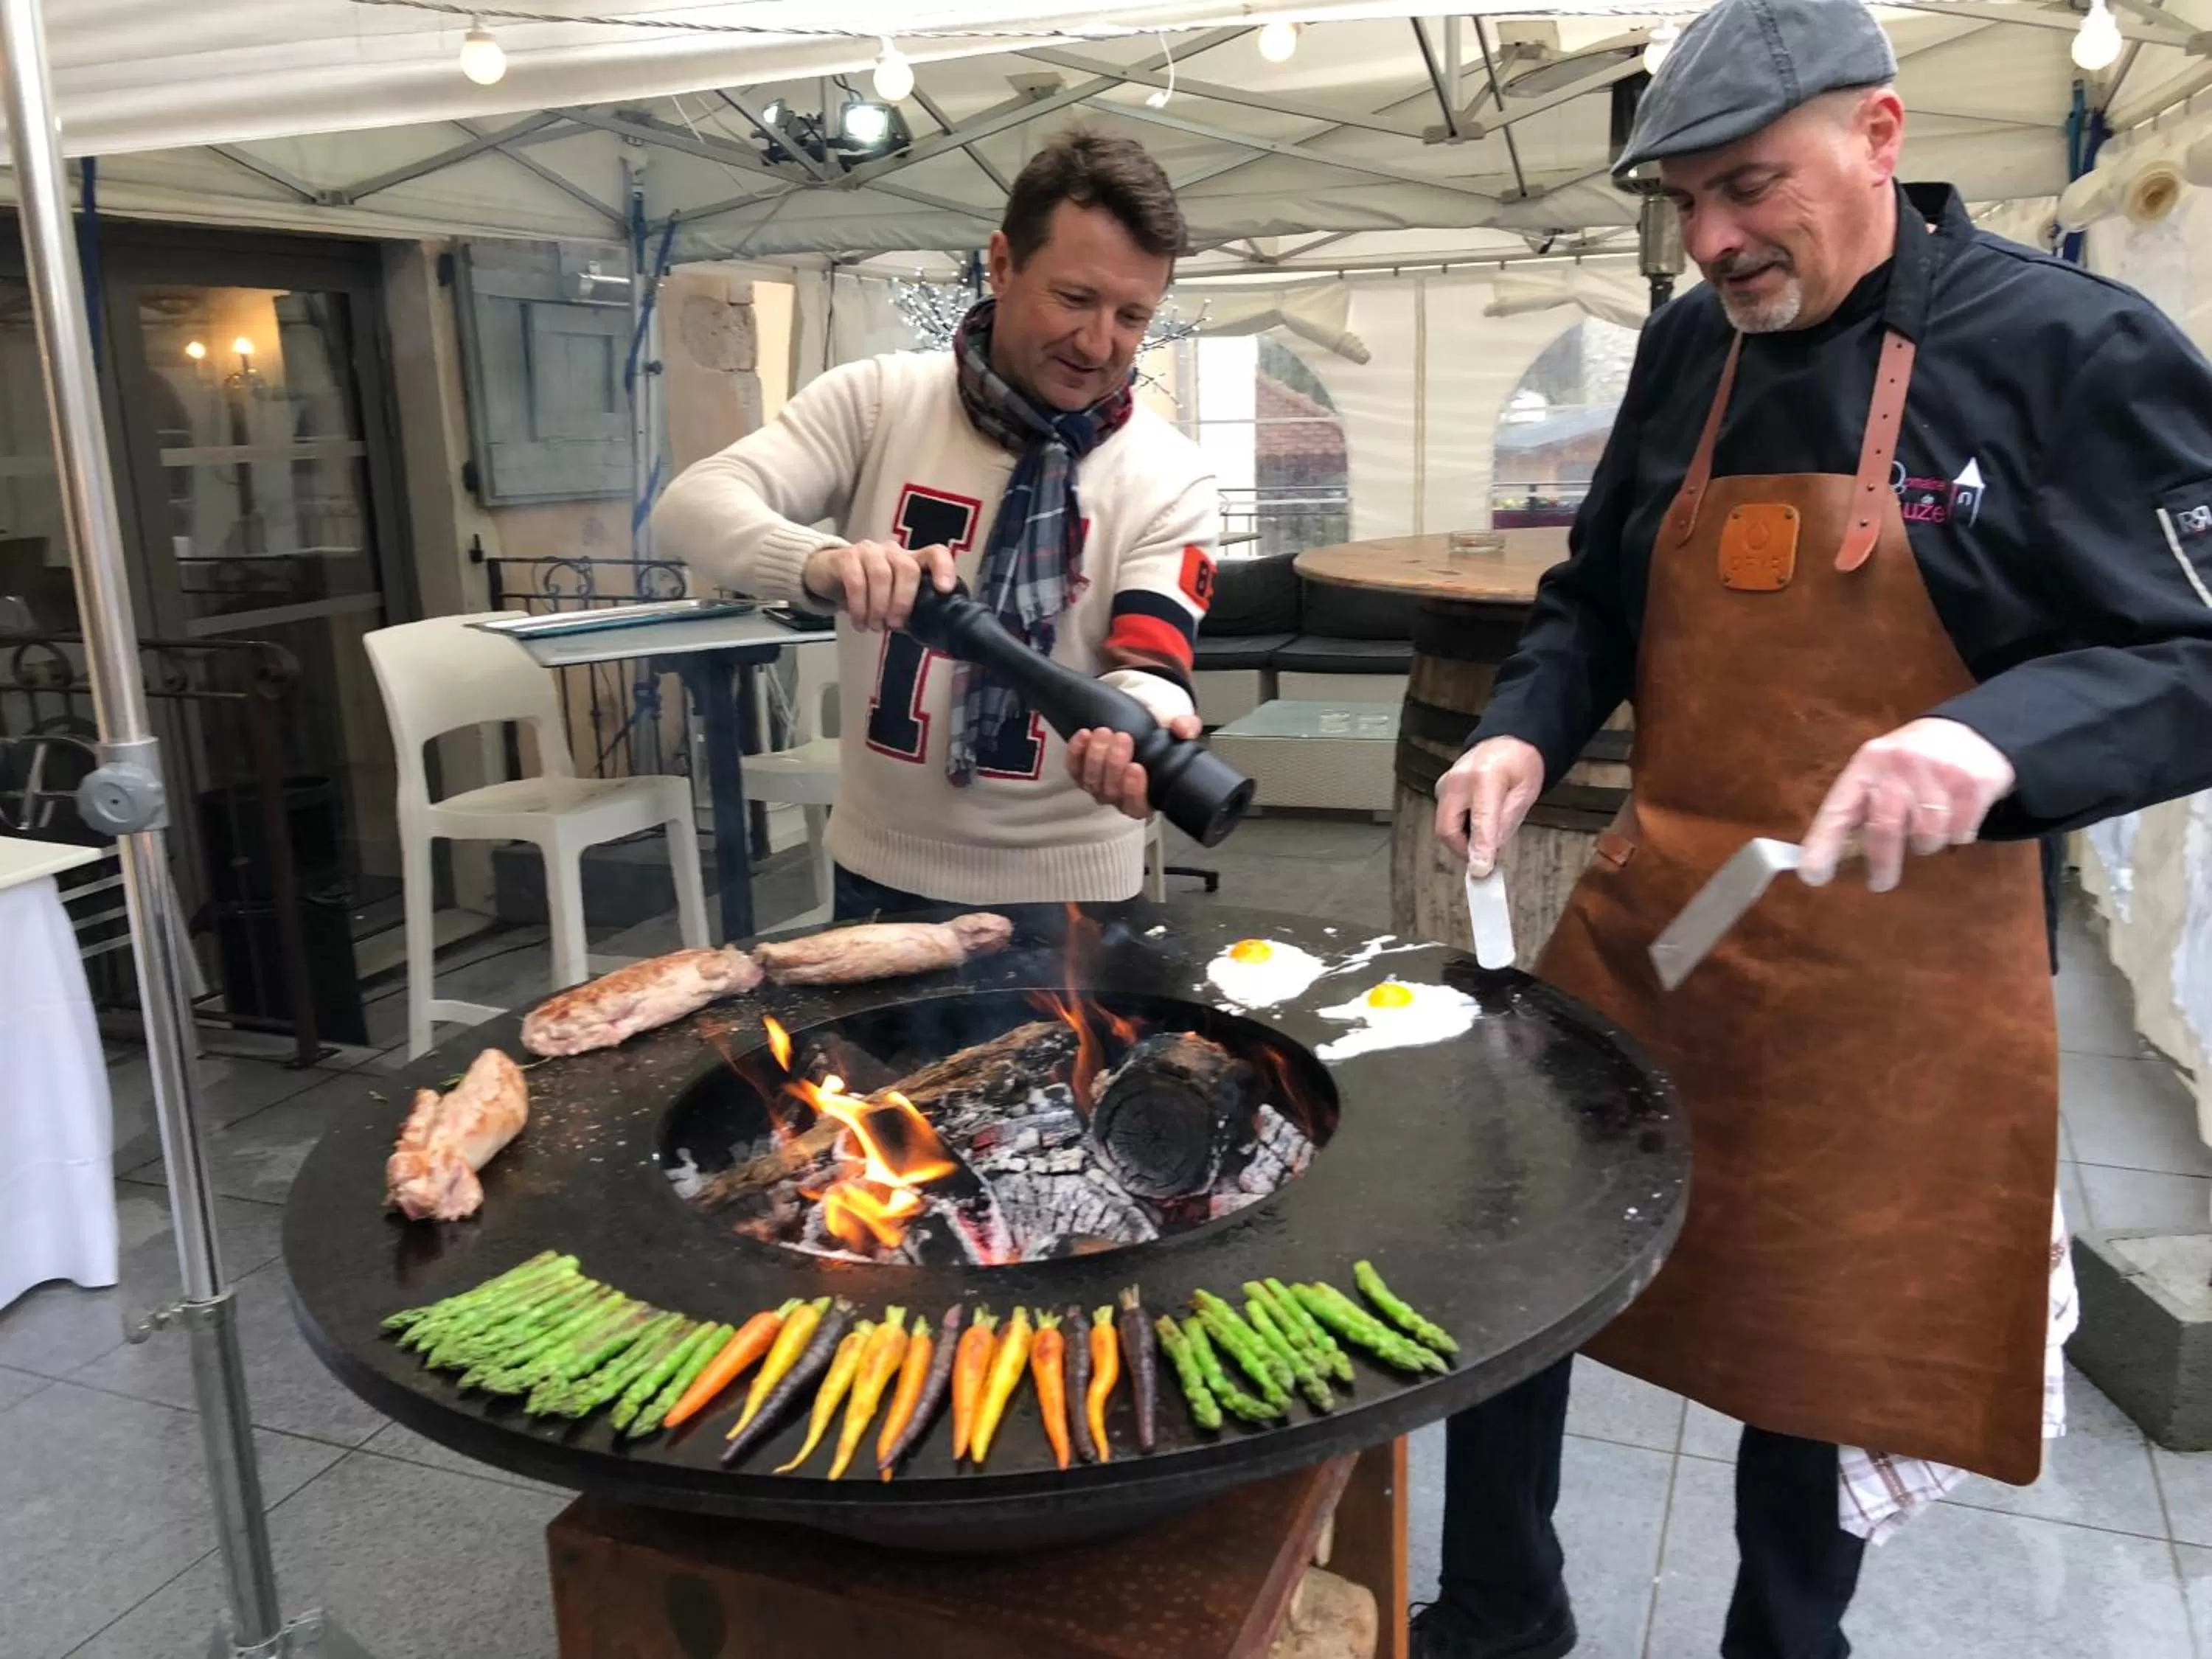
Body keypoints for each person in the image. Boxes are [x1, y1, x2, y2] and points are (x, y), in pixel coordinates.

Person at [1422, 0, 2212, 1654]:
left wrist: (1994, 737)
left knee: (1816, 1355)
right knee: (1514, 1260)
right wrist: (1518, 728)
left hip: (1900, 987)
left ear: (1881, 135)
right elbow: (1590, 605)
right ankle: (1500, 1614)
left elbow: (2191, 648)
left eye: (1747, 187)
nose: (1711, 239)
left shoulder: (2069, 351)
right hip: (1665, 925)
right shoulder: (1686, 351)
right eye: (1682, 201)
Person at [652, 131, 1217, 922]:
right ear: (1002, 264)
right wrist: (824, 564)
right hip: (881, 870)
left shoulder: (1170, 474)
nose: (1098, 344)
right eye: (1075, 299)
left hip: (1074, 891)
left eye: (1132, 316)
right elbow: (691, 504)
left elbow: (1152, 659)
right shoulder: (875, 402)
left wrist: (1144, 721)